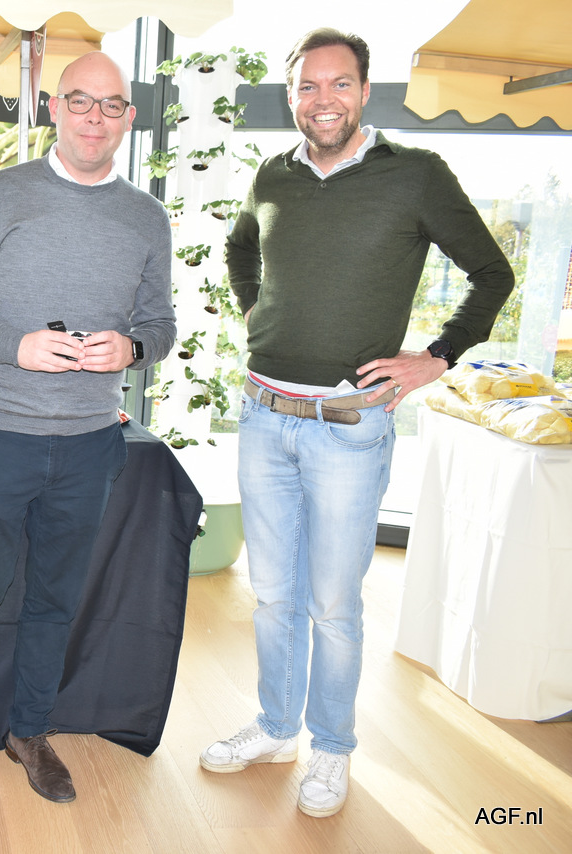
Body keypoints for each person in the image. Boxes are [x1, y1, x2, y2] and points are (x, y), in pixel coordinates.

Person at [199, 28, 514, 818]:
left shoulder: (415, 174)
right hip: (264, 416)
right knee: (273, 595)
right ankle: (277, 728)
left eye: (339, 84)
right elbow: (240, 249)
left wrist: (435, 357)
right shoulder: (272, 175)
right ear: (292, 95)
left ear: (365, 91)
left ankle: (332, 747)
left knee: (334, 605)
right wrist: (255, 309)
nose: (324, 99)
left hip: (348, 426)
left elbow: (491, 273)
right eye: (308, 86)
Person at [0, 51, 176, 804]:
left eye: (111, 105)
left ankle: (29, 733)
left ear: (128, 118)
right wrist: (16, 345)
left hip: (91, 444)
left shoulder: (146, 216)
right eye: (81, 101)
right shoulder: (2, 193)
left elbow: (159, 325)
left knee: (54, 604)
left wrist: (132, 350)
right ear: (54, 109)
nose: (95, 117)